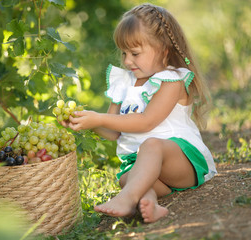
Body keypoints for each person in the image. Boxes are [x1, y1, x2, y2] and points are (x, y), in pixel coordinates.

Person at [62, 3, 217, 223]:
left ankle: (127, 200)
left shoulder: (171, 79)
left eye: (134, 53)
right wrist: (89, 121)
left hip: (180, 163)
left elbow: (146, 121)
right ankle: (150, 204)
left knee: (151, 145)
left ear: (164, 50)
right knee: (127, 177)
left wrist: (99, 117)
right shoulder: (124, 83)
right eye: (124, 53)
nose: (126, 61)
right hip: (151, 174)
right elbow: (114, 131)